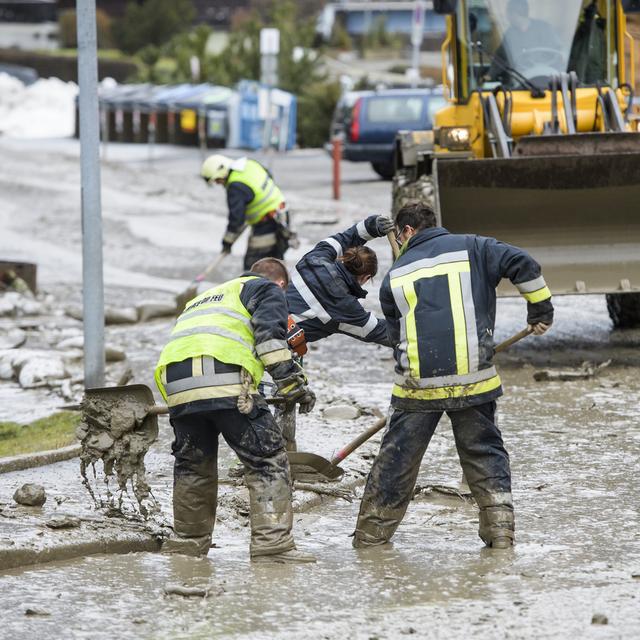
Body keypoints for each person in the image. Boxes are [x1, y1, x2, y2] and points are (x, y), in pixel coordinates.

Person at [353, 202, 554, 550]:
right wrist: (540, 309)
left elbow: (395, 335)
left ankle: (370, 537)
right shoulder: (476, 247)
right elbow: (524, 263)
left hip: (417, 386)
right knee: (484, 453)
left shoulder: (395, 276)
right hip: (474, 379)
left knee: (396, 461)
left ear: (407, 232)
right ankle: (500, 532)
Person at [155, 257, 317, 563]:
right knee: (267, 460)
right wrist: (292, 384)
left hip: (178, 388)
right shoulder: (268, 290)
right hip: (226, 381)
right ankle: (273, 546)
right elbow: (270, 342)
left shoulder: (205, 298)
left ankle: (188, 545)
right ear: (281, 284)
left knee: (192, 467)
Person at [280, 215, 394, 451]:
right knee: (280, 403)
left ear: (342, 257)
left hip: (261, 330)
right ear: (365, 278)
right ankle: (279, 460)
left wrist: (372, 225)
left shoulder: (313, 259)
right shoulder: (344, 307)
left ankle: (278, 457)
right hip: (280, 353)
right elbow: (385, 333)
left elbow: (345, 236)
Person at [201, 154, 294, 270]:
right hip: (282, 215)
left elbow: (236, 220)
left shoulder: (235, 186)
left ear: (222, 171)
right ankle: (279, 287)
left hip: (267, 225)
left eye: (217, 180)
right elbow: (269, 176)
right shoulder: (249, 164)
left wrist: (227, 242)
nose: (218, 183)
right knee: (274, 265)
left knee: (253, 268)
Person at [489, 0, 562, 84]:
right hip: (519, 81)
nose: (507, 16)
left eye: (508, 13)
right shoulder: (510, 34)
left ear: (515, 13)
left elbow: (558, 54)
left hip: (546, 79)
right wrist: (490, 75)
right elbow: (500, 58)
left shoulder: (545, 29)